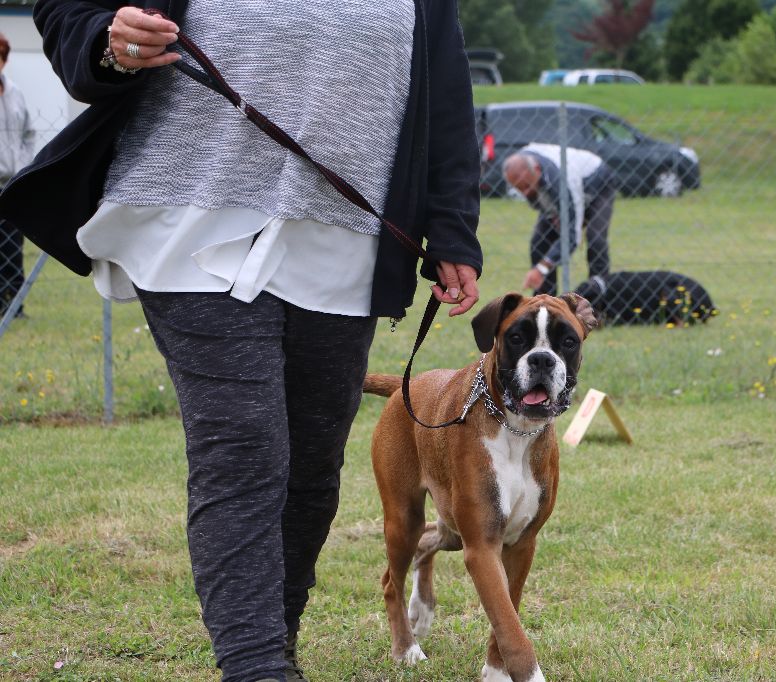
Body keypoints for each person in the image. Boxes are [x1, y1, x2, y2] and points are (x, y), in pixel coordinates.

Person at [3, 1, 482, 680]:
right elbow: (68, 11)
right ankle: (256, 666)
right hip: (189, 215)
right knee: (243, 446)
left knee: (313, 467)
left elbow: (444, 86)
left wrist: (453, 225)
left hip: (346, 235)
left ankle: (272, 641)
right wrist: (108, 43)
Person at [503, 143, 615, 295]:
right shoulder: (522, 163)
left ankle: (598, 301)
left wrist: (542, 268)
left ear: (536, 170)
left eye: (527, 186)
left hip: (598, 184)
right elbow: (546, 207)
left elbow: (571, 238)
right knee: (539, 241)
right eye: (519, 189)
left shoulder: (564, 180)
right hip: (554, 187)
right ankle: (544, 306)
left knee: (595, 239)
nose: (525, 193)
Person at [0, 32, 34, 319]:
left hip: (11, 184)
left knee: (13, 247)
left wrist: (24, 164)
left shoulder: (15, 92)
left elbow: (28, 133)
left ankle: (16, 305)